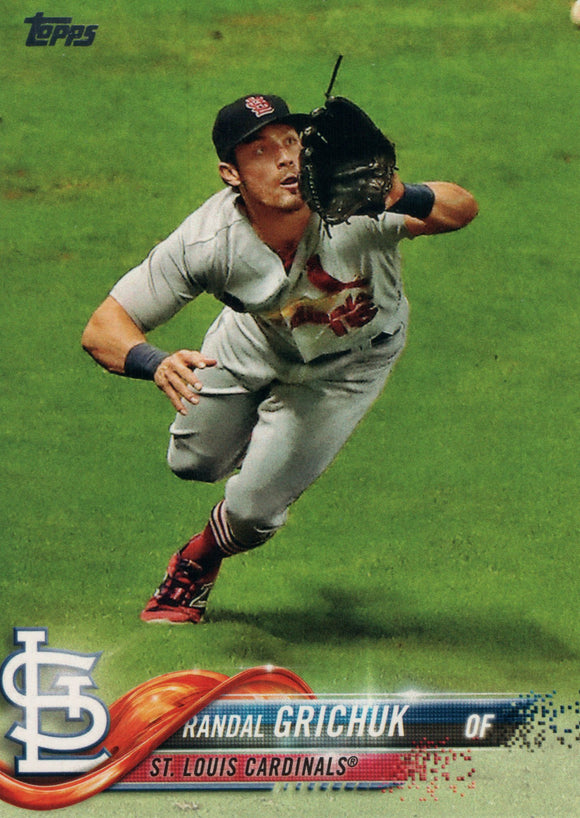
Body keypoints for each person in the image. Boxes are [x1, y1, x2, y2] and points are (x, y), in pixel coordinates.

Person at [82, 93, 478, 624]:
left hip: (348, 367)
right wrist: (154, 362)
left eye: (292, 141)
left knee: (252, 510)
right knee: (192, 463)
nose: (287, 158)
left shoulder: (353, 205)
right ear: (231, 174)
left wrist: (402, 193)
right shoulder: (208, 241)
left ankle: (199, 558)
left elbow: (461, 209)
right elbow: (102, 328)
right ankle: (269, 447)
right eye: (261, 151)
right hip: (250, 344)